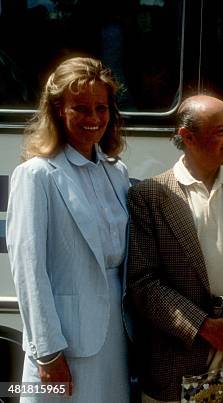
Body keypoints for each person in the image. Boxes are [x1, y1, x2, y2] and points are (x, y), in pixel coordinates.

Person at [126, 94, 223, 402]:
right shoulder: (149, 195)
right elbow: (143, 283)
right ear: (188, 137)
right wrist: (204, 327)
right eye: (221, 130)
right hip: (176, 363)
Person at [6, 57, 130, 402]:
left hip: (115, 339)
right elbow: (29, 271)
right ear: (59, 110)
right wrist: (47, 352)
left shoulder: (116, 172)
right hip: (66, 341)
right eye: (81, 108)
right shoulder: (37, 174)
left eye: (101, 108)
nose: (93, 119)